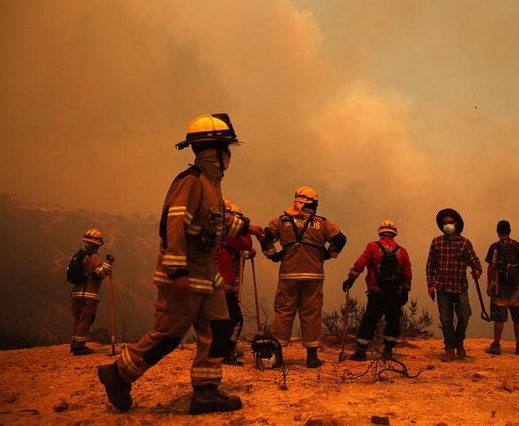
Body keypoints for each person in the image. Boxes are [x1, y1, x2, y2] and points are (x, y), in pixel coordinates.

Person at [97, 113, 264, 415]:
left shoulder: (212, 185)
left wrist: (247, 228)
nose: (229, 156)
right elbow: (173, 225)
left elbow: (213, 222)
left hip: (207, 277)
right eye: (226, 149)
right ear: (213, 150)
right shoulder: (191, 182)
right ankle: (119, 373)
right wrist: (177, 271)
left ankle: (206, 392)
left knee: (219, 331)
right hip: (186, 276)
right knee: (168, 336)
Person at [260, 186, 347, 368]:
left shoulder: (282, 221)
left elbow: (264, 237)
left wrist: (273, 255)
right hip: (314, 276)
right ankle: (312, 357)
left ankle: (276, 355)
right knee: (311, 313)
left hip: (288, 275)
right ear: (313, 204)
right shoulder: (322, 223)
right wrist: (328, 254)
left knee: (284, 312)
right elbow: (340, 240)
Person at [343, 220, 412, 361]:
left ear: (380, 232)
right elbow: (407, 274)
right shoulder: (402, 251)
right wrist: (405, 291)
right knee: (393, 321)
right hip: (395, 294)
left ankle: (361, 351)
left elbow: (360, 264)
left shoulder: (372, 247)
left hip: (376, 293)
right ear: (394, 234)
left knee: (369, 320)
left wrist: (350, 280)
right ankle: (387, 351)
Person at [425, 208, 483, 361]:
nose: (448, 225)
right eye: (445, 223)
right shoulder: (436, 242)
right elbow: (430, 265)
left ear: (456, 224)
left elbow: (476, 264)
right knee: (446, 320)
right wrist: (430, 285)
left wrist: (477, 271)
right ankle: (450, 348)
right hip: (442, 287)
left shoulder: (465, 243)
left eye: (450, 222)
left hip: (460, 287)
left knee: (464, 316)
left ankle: (459, 340)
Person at [217, 200, 255, 365]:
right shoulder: (228, 233)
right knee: (235, 319)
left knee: (217, 319)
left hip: (214, 282)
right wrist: (244, 228)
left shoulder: (214, 232)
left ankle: (219, 349)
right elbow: (246, 243)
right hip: (224, 284)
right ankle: (227, 352)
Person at [484, 220, 519, 356]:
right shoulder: (518, 245)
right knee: (518, 317)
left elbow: (491, 267)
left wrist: (489, 285)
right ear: (510, 230)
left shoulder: (495, 247)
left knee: (499, 317)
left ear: (497, 231)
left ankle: (496, 345)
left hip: (500, 286)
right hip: (516, 287)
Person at [69, 228, 114, 356]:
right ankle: (79, 347)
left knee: (79, 319)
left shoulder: (79, 255)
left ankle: (74, 343)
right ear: (98, 244)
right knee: (85, 319)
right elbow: (99, 273)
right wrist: (109, 263)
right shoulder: (93, 257)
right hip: (88, 295)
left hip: (76, 294)